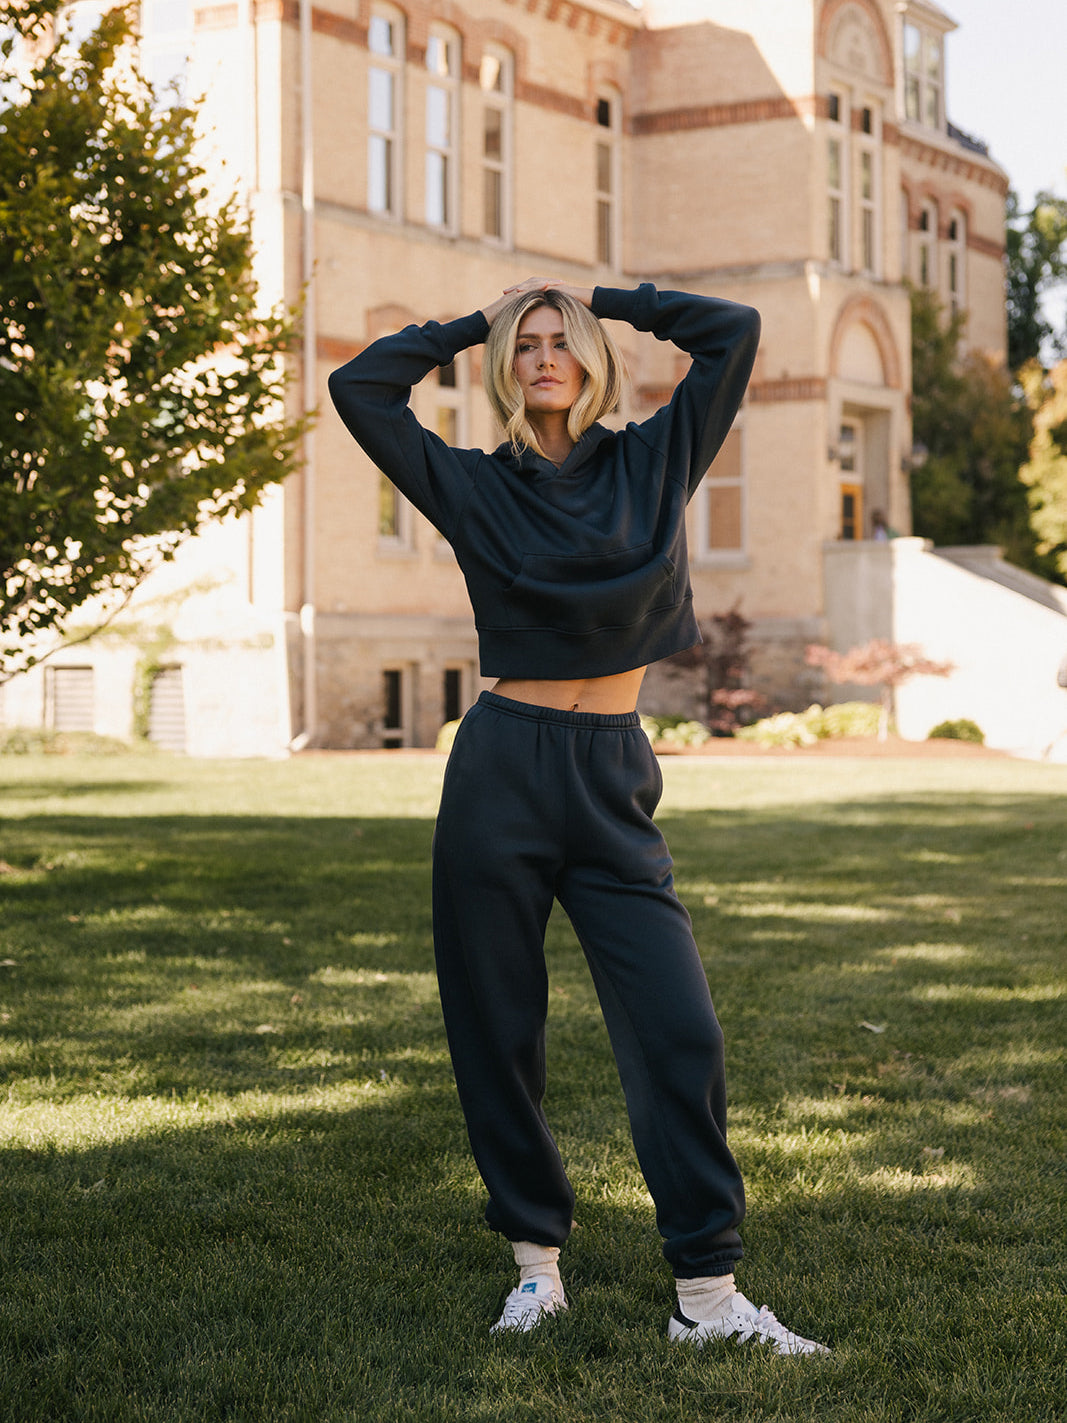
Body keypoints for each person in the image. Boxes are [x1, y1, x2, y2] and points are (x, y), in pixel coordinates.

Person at [329, 278, 828, 1356]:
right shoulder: (470, 486)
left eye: (562, 343)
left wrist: (601, 295)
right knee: (497, 1027)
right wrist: (475, 320)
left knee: (677, 1026)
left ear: (594, 358)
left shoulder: (657, 457)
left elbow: (731, 331)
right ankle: (534, 1268)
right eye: (526, 346)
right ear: (506, 367)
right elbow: (359, 387)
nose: (543, 357)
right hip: (500, 768)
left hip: (610, 770)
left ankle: (706, 1300)